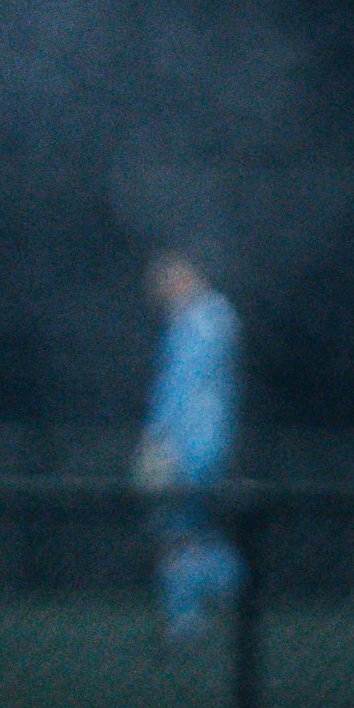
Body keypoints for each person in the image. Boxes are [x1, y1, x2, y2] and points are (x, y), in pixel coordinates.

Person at [135, 249, 244, 643]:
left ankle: (192, 616)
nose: (162, 290)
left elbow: (180, 389)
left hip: (189, 444)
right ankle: (222, 600)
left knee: (176, 529)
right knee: (191, 528)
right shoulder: (213, 317)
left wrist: (158, 440)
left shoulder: (198, 319)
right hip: (205, 442)